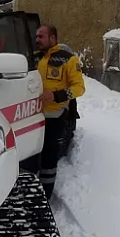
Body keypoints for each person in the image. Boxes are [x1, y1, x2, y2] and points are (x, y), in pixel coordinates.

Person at [34, 23, 86, 200]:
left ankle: (45, 196)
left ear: (53, 38)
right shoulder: (35, 58)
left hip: (54, 118)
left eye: (41, 36)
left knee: (49, 159)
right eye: (36, 36)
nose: (37, 40)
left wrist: (56, 96)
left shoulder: (68, 60)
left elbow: (79, 88)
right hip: (31, 117)